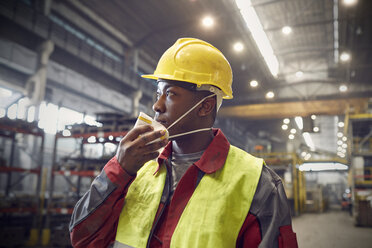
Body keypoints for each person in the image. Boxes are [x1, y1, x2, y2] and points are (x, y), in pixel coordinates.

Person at [69, 38, 298, 248]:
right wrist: (120, 169)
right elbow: (82, 238)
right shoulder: (137, 168)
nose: (157, 106)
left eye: (170, 94)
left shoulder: (256, 182)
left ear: (205, 106)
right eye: (158, 93)